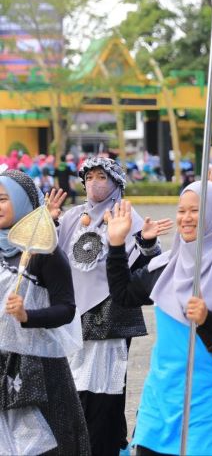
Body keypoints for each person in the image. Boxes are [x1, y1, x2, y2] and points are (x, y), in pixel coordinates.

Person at [105, 184, 212, 455]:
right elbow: (123, 295)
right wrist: (116, 245)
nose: (186, 217)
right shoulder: (165, 267)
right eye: (181, 211)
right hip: (161, 397)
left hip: (210, 399)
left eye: (195, 211)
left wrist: (209, 319)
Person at [52, 156, 170, 456]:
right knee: (75, 385)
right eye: (89, 177)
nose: (94, 182)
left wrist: (147, 242)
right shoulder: (73, 216)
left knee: (105, 388)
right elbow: (49, 255)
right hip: (73, 314)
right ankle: (91, 443)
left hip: (111, 314)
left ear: (116, 182)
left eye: (101, 177)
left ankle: (104, 444)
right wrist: (49, 220)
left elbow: (146, 267)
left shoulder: (127, 215)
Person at [0, 169, 90, 455]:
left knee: (46, 445)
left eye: (2, 199)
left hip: (39, 367)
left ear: (22, 200)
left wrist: (29, 316)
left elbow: (67, 309)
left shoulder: (45, 251)